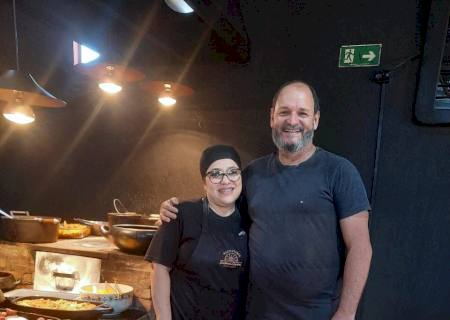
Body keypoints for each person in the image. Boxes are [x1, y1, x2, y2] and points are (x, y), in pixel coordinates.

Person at [159, 81, 372, 320]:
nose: (292, 120)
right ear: (272, 117)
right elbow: (221, 208)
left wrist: (346, 312)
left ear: (315, 120)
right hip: (256, 311)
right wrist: (177, 210)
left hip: (317, 313)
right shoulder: (252, 173)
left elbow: (360, 247)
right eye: (284, 112)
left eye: (302, 113)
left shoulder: (339, 171)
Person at [145, 145, 249, 320]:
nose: (225, 180)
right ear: (204, 182)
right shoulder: (181, 214)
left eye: (232, 172)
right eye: (215, 174)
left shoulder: (251, 219)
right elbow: (159, 269)